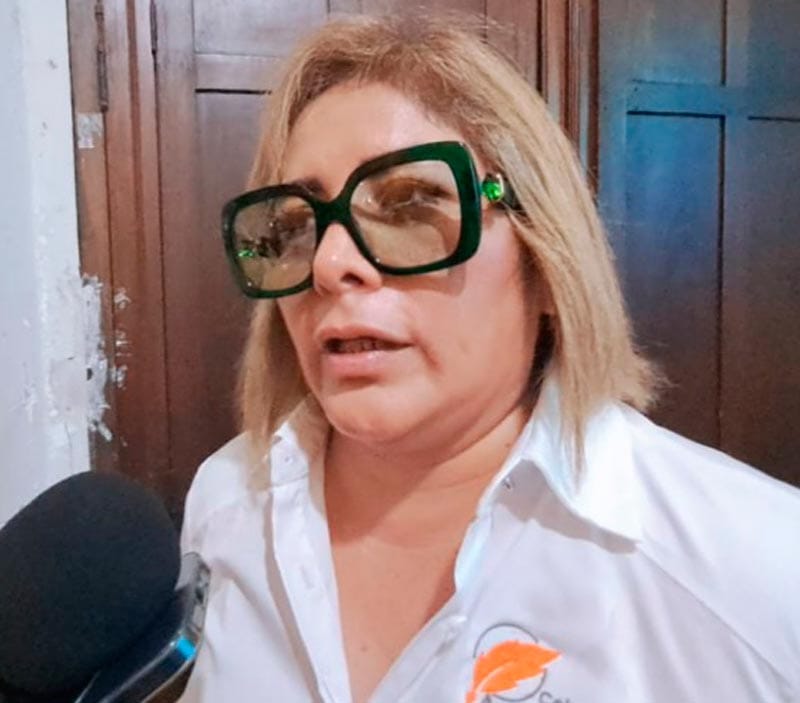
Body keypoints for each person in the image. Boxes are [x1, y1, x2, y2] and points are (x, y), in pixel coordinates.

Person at [179, 13, 800, 703]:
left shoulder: (759, 570)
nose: (328, 264)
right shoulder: (229, 499)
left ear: (545, 260)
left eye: (411, 205)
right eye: (296, 224)